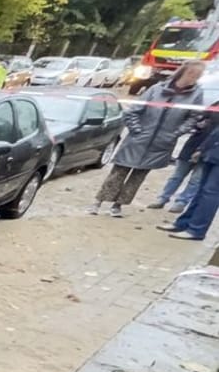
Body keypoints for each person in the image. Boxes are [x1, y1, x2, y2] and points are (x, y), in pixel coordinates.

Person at [87, 60, 206, 217]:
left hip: (162, 142)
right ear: (183, 72)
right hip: (138, 138)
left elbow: (193, 117)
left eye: (197, 75)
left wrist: (175, 133)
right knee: (118, 171)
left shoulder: (196, 95)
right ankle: (99, 201)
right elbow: (134, 110)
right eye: (191, 73)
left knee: (138, 176)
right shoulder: (157, 89)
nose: (193, 78)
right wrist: (136, 130)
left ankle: (118, 205)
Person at [157, 110, 219, 240]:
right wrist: (202, 149)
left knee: (210, 194)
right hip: (212, 153)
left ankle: (196, 230)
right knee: (201, 192)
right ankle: (183, 224)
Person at [149, 110, 213, 213]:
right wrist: (198, 124)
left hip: (208, 152)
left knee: (195, 180)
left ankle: (181, 202)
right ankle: (162, 198)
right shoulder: (214, 106)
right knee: (176, 176)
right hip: (191, 147)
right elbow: (195, 120)